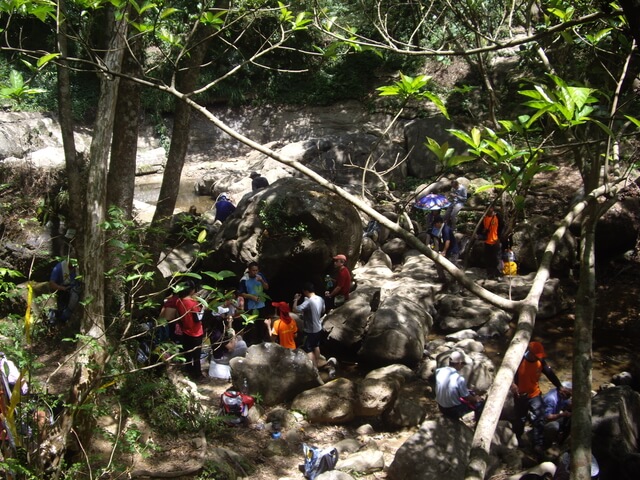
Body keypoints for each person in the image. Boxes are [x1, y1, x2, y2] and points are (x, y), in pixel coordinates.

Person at [511, 341, 570, 455]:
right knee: (520, 419)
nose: (538, 357)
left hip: (535, 394)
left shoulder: (540, 361)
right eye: (536, 355)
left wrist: (559, 386)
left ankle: (538, 443)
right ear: (531, 353)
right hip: (520, 396)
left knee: (540, 417)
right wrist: (512, 384)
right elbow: (509, 374)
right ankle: (518, 438)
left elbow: (550, 373)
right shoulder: (519, 361)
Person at [435, 351, 483, 421]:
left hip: (441, 407)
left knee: (470, 392)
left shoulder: (439, 371)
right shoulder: (459, 379)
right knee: (480, 404)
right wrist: (476, 399)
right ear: (459, 363)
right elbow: (466, 397)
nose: (463, 366)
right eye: (463, 363)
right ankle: (478, 426)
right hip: (453, 411)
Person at [175, 281, 205, 381]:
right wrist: (203, 309)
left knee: (188, 353)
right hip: (196, 332)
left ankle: (189, 371)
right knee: (196, 355)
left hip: (185, 331)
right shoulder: (193, 303)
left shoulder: (179, 301)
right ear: (192, 290)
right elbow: (197, 318)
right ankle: (198, 374)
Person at [293, 282, 325, 367]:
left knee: (308, 349)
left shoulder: (308, 302)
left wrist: (296, 299)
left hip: (310, 330)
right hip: (318, 327)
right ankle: (317, 363)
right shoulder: (320, 299)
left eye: (304, 292)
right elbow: (323, 311)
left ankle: (313, 368)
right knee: (316, 346)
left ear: (306, 291)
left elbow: (295, 309)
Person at [238, 261, 269, 344]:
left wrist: (261, 280)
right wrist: (252, 297)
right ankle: (247, 343)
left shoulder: (260, 276)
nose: (255, 272)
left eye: (256, 270)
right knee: (249, 326)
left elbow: (266, 287)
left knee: (260, 324)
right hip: (250, 306)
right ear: (249, 270)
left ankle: (260, 341)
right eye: (253, 270)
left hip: (261, 305)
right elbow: (242, 293)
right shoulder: (244, 280)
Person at [208, 315, 247, 380]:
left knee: (239, 338)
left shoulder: (215, 331)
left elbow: (229, 333)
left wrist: (230, 323)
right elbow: (231, 348)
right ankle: (237, 363)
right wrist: (233, 336)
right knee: (243, 345)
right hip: (221, 358)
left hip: (221, 352)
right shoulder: (218, 335)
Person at [49, 257, 81, 323]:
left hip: (74, 291)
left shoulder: (78, 267)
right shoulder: (59, 268)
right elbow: (51, 284)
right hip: (61, 292)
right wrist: (62, 288)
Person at [543, 381, 572, 447]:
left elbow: (567, 404)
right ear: (563, 391)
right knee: (554, 426)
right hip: (544, 422)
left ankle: (561, 439)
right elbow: (547, 417)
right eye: (568, 395)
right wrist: (562, 415)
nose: (569, 397)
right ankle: (546, 444)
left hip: (555, 417)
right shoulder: (551, 399)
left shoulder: (562, 395)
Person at [432, 217, 460, 282]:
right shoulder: (442, 229)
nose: (435, 226)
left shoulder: (445, 229)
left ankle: (454, 282)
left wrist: (444, 251)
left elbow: (447, 241)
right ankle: (442, 278)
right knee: (438, 263)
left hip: (453, 252)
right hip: (448, 251)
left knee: (452, 268)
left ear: (439, 223)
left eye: (436, 224)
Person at [481, 205, 503, 279]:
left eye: (488, 209)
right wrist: (482, 232)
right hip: (487, 242)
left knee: (497, 258)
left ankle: (498, 274)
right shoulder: (484, 218)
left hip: (495, 241)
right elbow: (481, 229)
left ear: (492, 209)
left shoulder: (497, 217)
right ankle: (490, 274)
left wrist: (499, 238)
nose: (487, 211)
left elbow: (502, 227)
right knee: (488, 259)